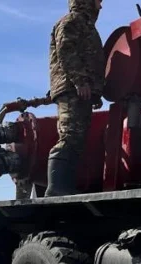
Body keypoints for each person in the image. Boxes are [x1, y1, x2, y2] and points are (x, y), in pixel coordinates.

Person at [46, 0, 106, 196]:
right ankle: (56, 188)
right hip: (73, 89)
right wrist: (80, 82)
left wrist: (95, 91)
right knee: (70, 135)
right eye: (98, 1)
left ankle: (64, 186)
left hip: (81, 90)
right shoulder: (72, 21)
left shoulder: (85, 25)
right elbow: (66, 51)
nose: (101, 6)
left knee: (77, 138)